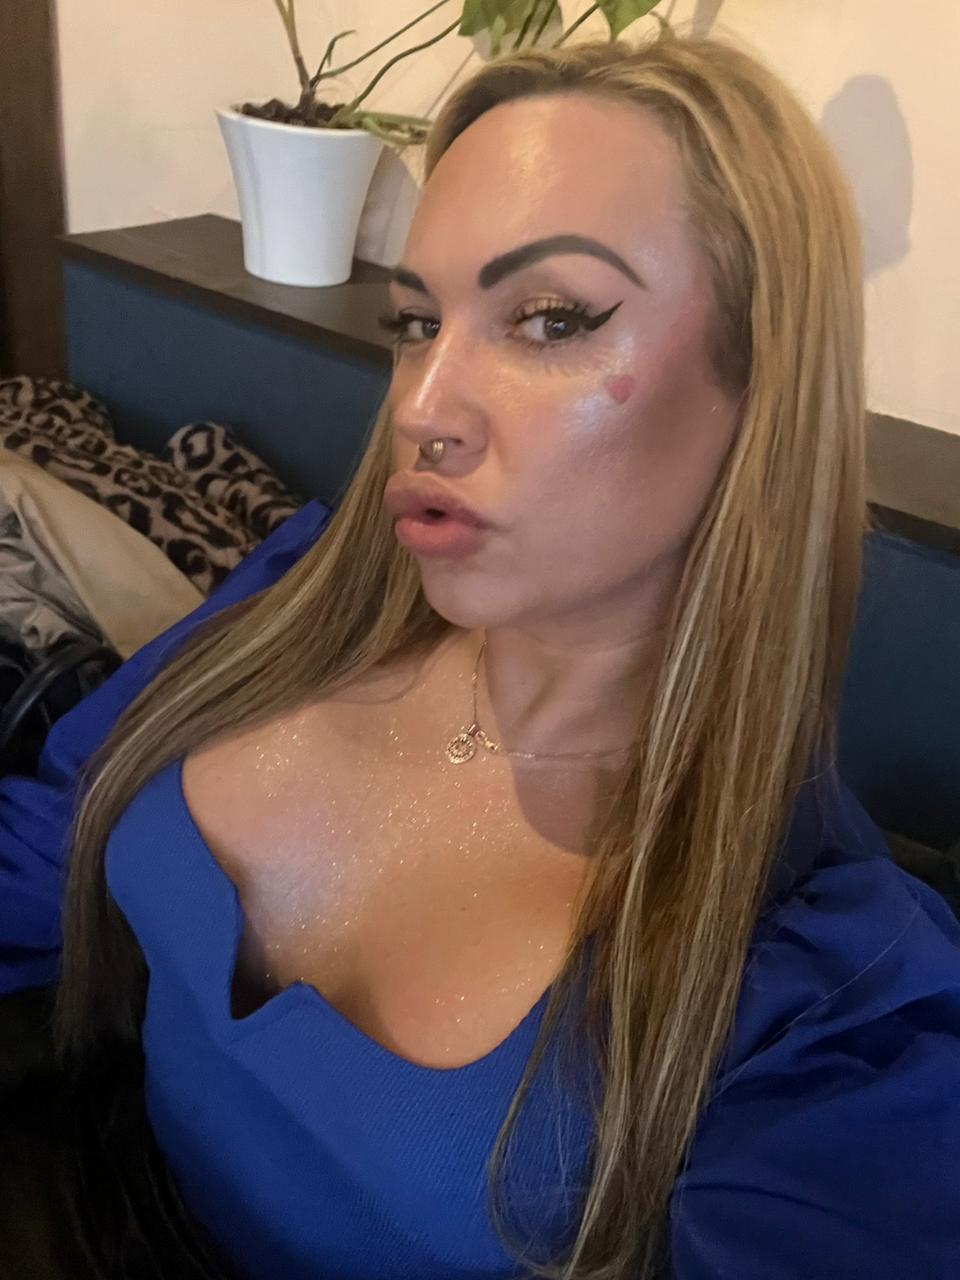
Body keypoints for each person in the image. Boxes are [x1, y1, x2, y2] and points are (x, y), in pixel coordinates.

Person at [1, 30, 958, 1280]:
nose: (419, 407)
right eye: (416, 320)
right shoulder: (304, 590)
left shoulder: (826, 996)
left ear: (758, 385)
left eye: (551, 318)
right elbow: (50, 837)